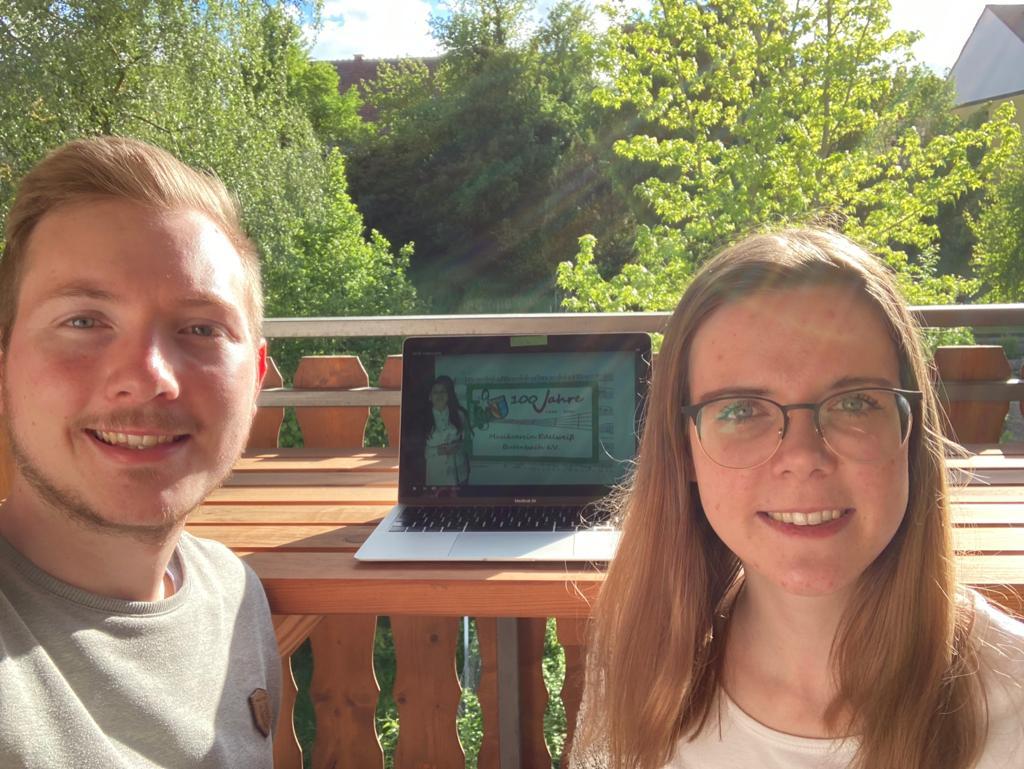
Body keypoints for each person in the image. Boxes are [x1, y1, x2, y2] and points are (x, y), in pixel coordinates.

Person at [570, 228, 1024, 769]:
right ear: (684, 451)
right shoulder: (637, 676)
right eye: (741, 410)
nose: (804, 456)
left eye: (854, 403)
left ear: (909, 432)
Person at [0, 136, 281, 768]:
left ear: (256, 380)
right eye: (84, 321)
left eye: (201, 329)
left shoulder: (234, 593)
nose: (150, 375)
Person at [424, 374, 471, 486]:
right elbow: (417, 452)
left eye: (443, 391)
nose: (439, 395)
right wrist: (438, 451)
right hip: (436, 477)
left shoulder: (460, 415)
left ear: (449, 395)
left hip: (459, 475)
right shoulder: (422, 419)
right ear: (430, 396)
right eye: (435, 392)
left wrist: (458, 446)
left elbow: (467, 442)